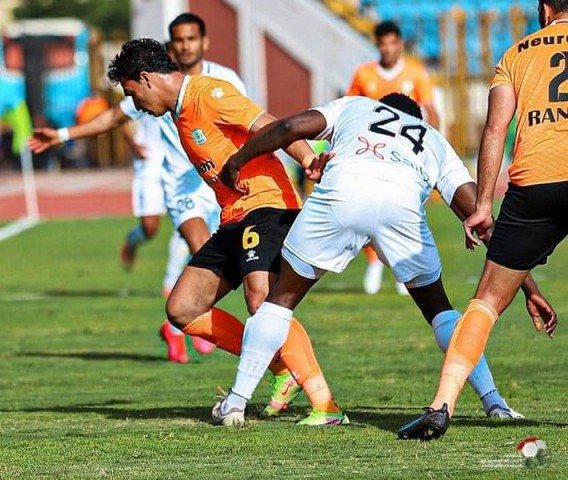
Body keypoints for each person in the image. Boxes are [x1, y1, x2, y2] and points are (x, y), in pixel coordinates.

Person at [215, 92, 556, 427]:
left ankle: (235, 404)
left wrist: (236, 161)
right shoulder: (432, 139)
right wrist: (528, 287)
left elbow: (288, 127)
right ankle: (493, 401)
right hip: (401, 205)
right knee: (440, 309)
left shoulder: (356, 106)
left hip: (344, 191)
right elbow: (484, 222)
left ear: (380, 107)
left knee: (279, 301)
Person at [106, 37, 348, 426]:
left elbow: (269, 125)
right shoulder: (179, 114)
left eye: (133, 94)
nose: (136, 105)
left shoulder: (209, 93)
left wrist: (307, 161)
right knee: (182, 308)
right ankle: (279, 367)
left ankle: (325, 403)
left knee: (263, 301)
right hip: (232, 218)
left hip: (267, 205)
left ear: (147, 79)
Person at [28, 13, 247, 363]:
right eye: (178, 40)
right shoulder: (155, 83)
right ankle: (229, 341)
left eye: (192, 39)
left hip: (223, 184)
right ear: (171, 44)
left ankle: (182, 326)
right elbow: (116, 117)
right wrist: (64, 135)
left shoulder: (225, 79)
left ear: (204, 42)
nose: (185, 45)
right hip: (181, 185)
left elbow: (246, 122)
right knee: (205, 255)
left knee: (247, 274)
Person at [397, 0, 562, 441]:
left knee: (486, 302)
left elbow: (494, 131)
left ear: (545, 9)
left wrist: (484, 204)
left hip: (534, 184)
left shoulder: (516, 54)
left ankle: (440, 407)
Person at [347, 20, 441, 296]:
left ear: (399, 44)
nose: (388, 48)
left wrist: (433, 142)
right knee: (368, 206)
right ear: (377, 45)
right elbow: (352, 107)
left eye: (392, 42)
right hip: (373, 151)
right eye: (383, 43)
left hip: (404, 153)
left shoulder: (416, 72)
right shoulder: (364, 75)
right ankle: (374, 262)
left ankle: (404, 267)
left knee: (405, 208)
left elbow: (429, 110)